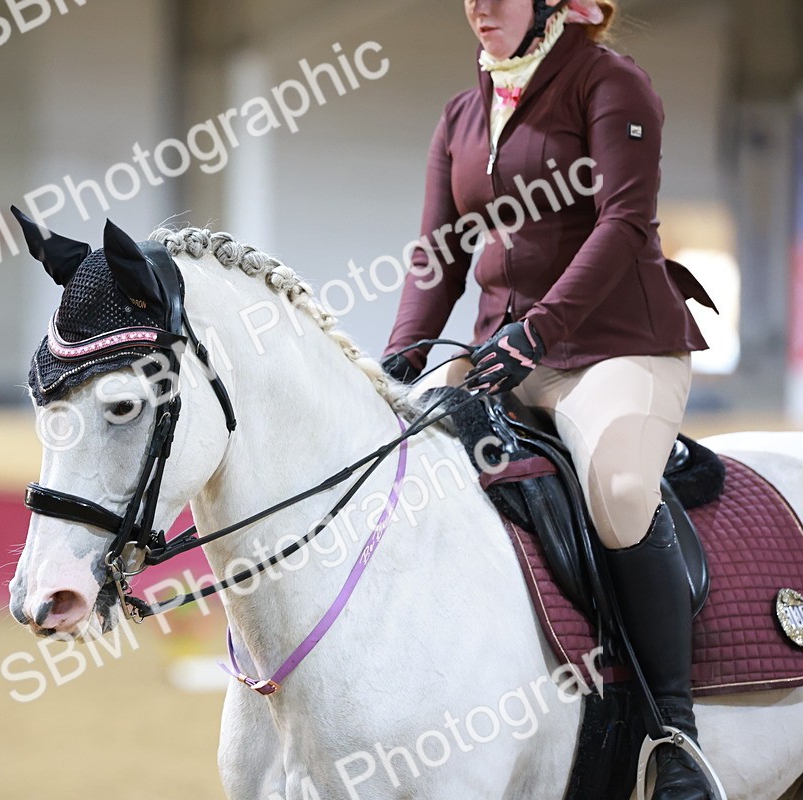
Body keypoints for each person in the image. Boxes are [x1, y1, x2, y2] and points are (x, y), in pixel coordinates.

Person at [381, 1, 715, 797]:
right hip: (500, 353)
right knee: (386, 464)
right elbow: (438, 254)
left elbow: (625, 221)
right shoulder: (463, 115)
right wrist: (397, 360)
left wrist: (540, 331)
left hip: (616, 347)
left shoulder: (610, 82)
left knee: (623, 489)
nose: (480, 8)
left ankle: (673, 736)